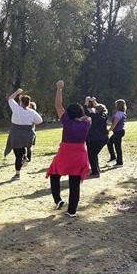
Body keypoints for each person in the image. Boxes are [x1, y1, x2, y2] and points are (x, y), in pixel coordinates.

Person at [46, 80, 91, 218]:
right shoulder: (87, 123)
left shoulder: (67, 122)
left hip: (65, 153)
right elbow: (87, 116)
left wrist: (59, 89)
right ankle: (72, 211)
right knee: (74, 183)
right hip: (80, 153)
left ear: (69, 114)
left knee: (54, 174)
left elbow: (58, 105)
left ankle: (58, 199)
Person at [3, 89, 43, 180]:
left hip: (16, 134)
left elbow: (10, 99)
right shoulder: (32, 112)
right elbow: (40, 120)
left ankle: (17, 173)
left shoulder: (16, 108)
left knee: (17, 155)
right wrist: (32, 122)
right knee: (23, 149)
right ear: (29, 103)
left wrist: (17, 92)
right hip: (27, 136)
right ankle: (24, 157)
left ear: (21, 102)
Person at [84, 96, 109, 178]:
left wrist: (86, 102)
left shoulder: (94, 116)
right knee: (94, 154)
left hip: (94, 139)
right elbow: (103, 109)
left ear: (96, 110)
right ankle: (96, 169)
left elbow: (85, 111)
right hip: (104, 138)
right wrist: (95, 102)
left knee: (91, 155)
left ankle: (95, 172)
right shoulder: (104, 114)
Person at [107, 99, 127, 167]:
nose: (115, 105)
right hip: (119, 131)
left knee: (117, 147)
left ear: (119, 105)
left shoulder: (119, 113)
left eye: (116, 104)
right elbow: (115, 123)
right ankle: (113, 157)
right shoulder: (122, 112)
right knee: (109, 143)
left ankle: (119, 163)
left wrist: (108, 131)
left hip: (118, 132)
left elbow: (114, 125)